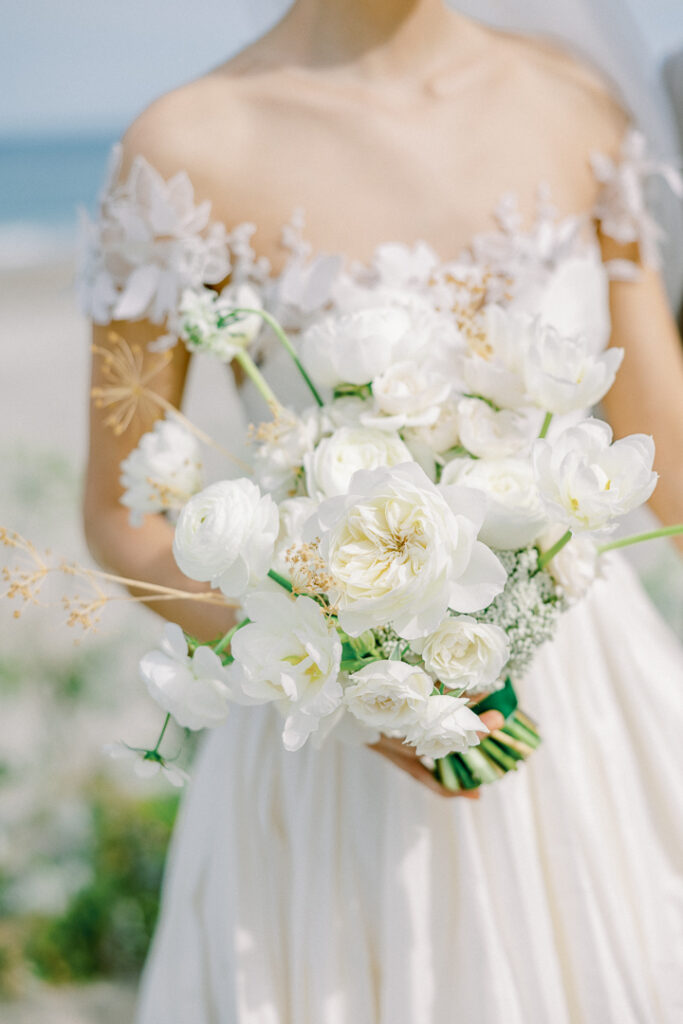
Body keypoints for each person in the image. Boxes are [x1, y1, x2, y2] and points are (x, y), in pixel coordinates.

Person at [80, 1, 683, 1020]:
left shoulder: (578, 106)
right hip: (334, 740)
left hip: (586, 705)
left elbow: (663, 474)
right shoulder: (184, 151)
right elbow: (123, 519)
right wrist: (367, 677)